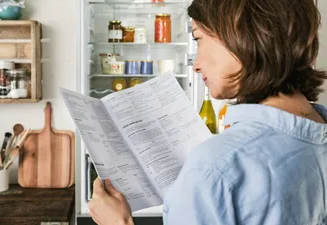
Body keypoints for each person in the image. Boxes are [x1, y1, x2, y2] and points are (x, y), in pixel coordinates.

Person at [88, 0, 327, 224]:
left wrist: (119, 222)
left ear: (240, 33)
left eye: (199, 38)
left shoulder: (216, 166)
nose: (196, 63)